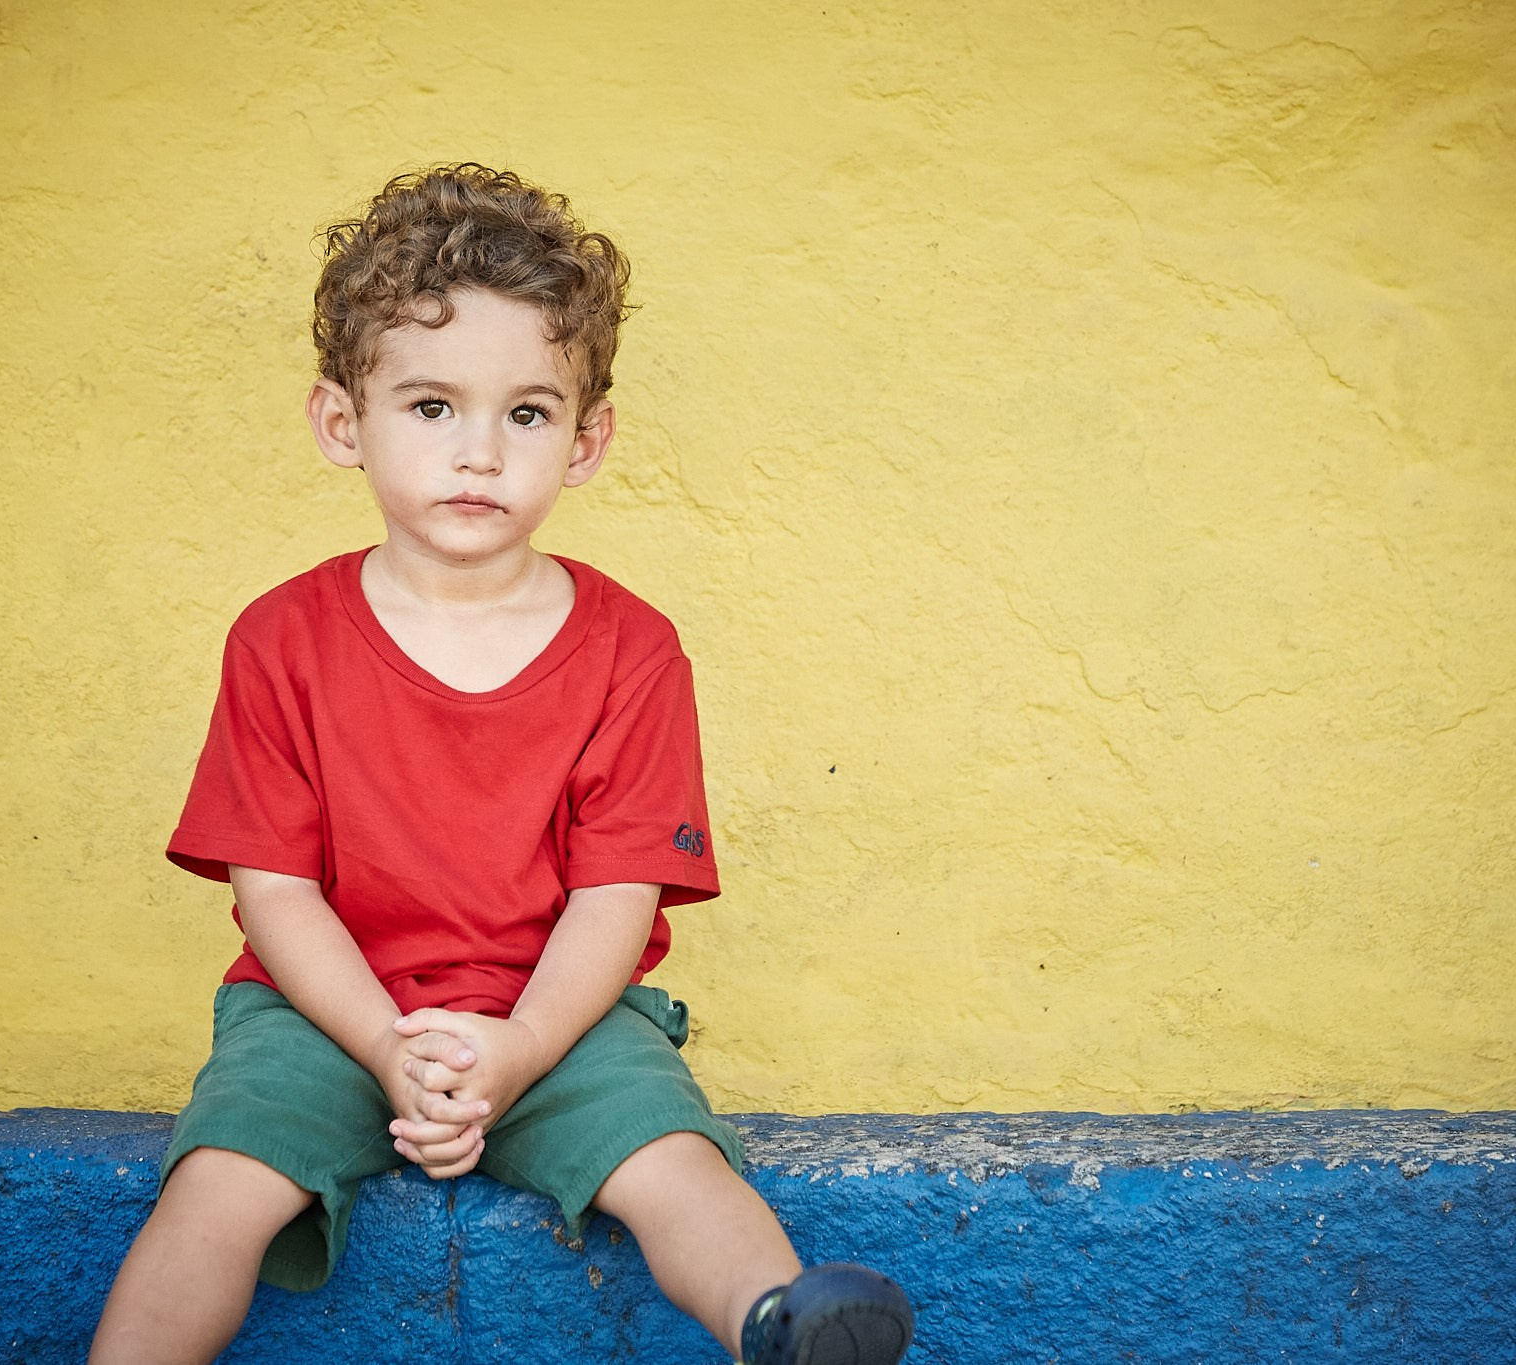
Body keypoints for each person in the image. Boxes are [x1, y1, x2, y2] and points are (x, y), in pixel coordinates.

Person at [88, 163, 914, 1365]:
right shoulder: (281, 639)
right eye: (430, 407)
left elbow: (616, 897)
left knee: (674, 1162)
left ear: (584, 443)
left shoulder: (631, 650)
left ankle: (779, 1321)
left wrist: (519, 1048)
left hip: (558, 1013)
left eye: (524, 414)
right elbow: (273, 891)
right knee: (217, 1185)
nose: (478, 454)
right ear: (341, 422)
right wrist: (382, 1045)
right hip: (320, 1012)